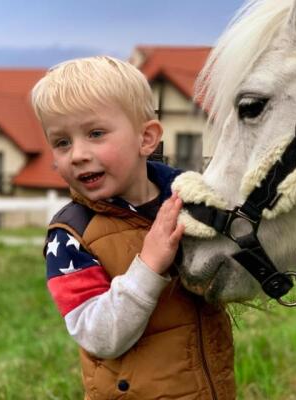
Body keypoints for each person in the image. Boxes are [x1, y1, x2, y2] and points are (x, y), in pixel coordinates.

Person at [31, 56, 235, 400]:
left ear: (146, 138)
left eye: (95, 134)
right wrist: (149, 265)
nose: (78, 154)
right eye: (62, 142)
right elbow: (97, 336)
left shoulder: (189, 199)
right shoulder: (70, 236)